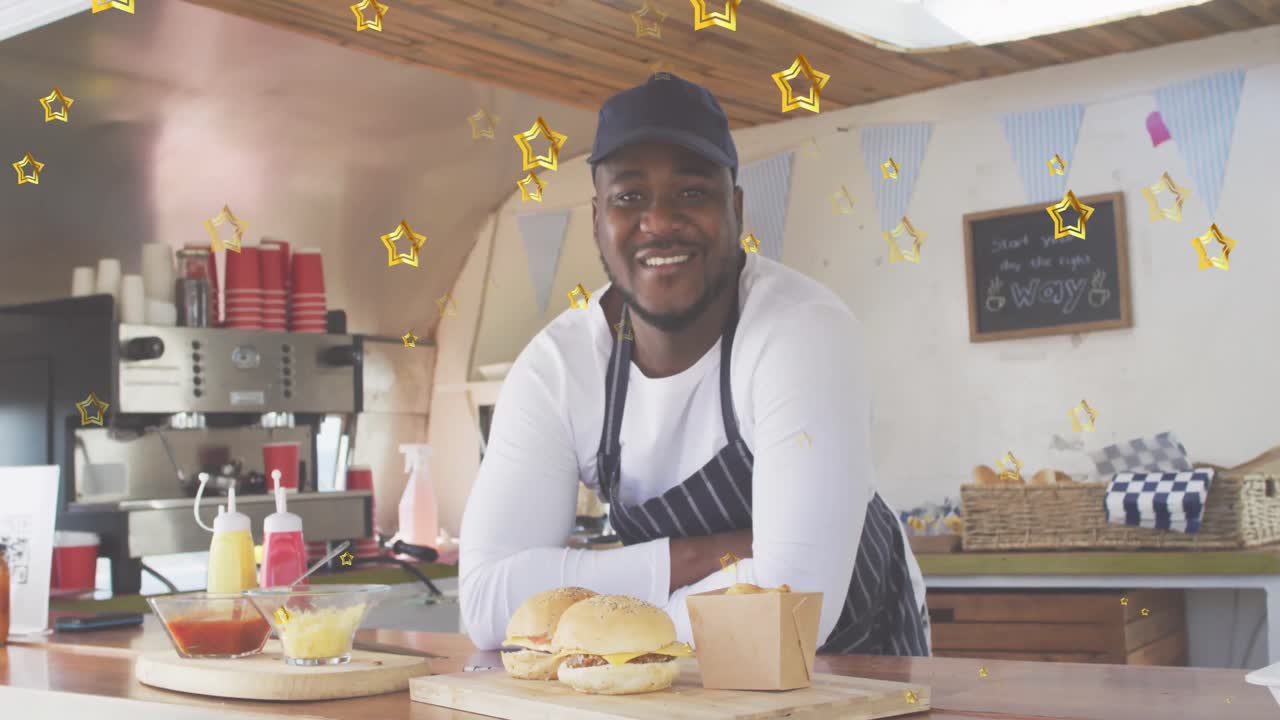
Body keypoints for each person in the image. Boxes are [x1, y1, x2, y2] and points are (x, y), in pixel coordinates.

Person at [459, 73, 929, 655]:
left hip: (853, 677)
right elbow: (485, 606)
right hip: (668, 691)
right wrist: (710, 554)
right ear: (597, 219)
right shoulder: (558, 369)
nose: (658, 222)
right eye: (629, 197)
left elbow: (793, 613)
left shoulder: (801, 331)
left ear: (734, 207)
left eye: (691, 192)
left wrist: (595, 621)